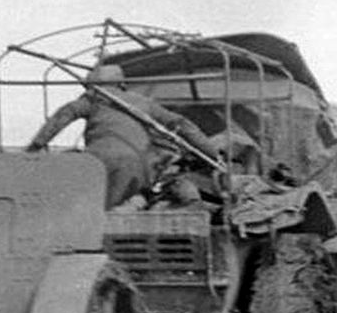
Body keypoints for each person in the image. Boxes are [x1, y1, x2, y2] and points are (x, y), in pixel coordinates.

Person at [25, 63, 224, 209]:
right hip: (138, 164)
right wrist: (212, 153)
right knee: (129, 203)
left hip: (97, 162)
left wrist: (36, 146)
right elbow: (182, 124)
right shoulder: (143, 102)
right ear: (121, 84)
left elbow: (63, 115)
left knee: (97, 209)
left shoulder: (92, 99)